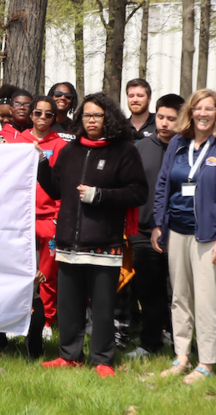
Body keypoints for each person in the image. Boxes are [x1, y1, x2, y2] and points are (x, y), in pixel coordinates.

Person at [38, 92, 148, 377]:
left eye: (97, 115)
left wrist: (99, 195)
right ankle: (69, 355)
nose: (91, 120)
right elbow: (56, 189)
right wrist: (40, 164)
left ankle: (102, 359)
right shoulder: (70, 151)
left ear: (108, 118)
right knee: (69, 304)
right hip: (69, 242)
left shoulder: (124, 151)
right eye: (86, 115)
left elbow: (138, 192)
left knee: (102, 306)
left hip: (104, 242)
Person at [151, 88, 216, 384]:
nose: (203, 114)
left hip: (208, 236)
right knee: (179, 297)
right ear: (190, 112)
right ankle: (181, 356)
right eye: (198, 108)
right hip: (176, 230)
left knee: (205, 299)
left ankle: (206, 362)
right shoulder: (178, 143)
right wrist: (158, 223)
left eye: (210, 109)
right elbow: (164, 182)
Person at [126, 93, 184, 358]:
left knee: (178, 291)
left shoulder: (188, 150)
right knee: (148, 292)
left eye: (171, 119)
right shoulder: (140, 148)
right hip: (143, 230)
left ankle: (179, 340)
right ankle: (149, 343)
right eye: (160, 117)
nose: (164, 123)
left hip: (180, 232)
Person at [30, 95, 68, 339]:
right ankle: (22, 316)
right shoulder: (18, 141)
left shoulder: (62, 145)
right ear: (31, 114)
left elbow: (63, 184)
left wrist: (57, 216)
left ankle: (46, 321)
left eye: (48, 114)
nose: (42, 118)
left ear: (55, 118)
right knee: (22, 273)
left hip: (49, 219)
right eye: (37, 112)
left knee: (47, 274)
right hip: (21, 220)